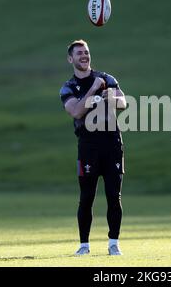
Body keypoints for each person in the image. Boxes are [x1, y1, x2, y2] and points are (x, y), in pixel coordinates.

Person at [59, 39, 127, 256]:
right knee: (87, 196)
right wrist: (94, 90)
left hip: (112, 143)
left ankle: (114, 243)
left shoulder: (107, 78)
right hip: (88, 146)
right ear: (71, 59)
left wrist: (113, 98)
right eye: (79, 53)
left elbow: (123, 102)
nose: (84, 55)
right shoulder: (68, 87)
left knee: (113, 196)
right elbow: (76, 112)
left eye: (86, 52)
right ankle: (84, 245)